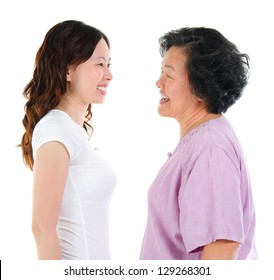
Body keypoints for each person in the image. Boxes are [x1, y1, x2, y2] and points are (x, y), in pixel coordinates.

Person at [140, 27, 256, 260]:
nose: (158, 83)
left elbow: (222, 246)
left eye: (169, 75)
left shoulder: (210, 149)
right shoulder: (203, 140)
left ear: (201, 88)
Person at [20, 20, 117, 260]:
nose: (109, 75)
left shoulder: (72, 131)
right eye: (99, 64)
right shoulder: (56, 128)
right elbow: (42, 228)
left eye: (109, 64)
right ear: (67, 70)